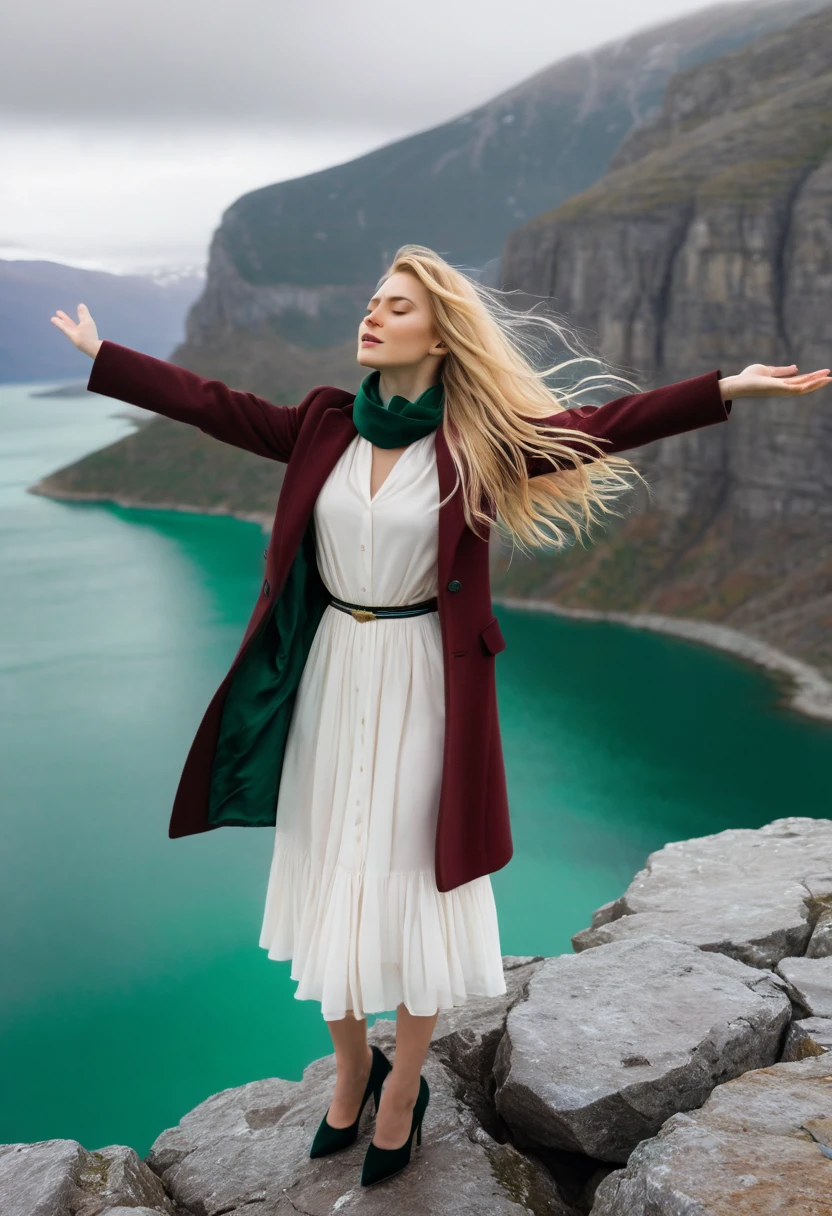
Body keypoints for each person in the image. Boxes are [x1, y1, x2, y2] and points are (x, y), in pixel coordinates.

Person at [50, 244, 830, 1186]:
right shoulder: (322, 424)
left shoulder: (478, 441)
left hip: (426, 677)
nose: (372, 316)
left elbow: (601, 425)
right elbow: (215, 406)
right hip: (332, 670)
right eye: (373, 300)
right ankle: (352, 1065)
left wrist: (725, 389)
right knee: (328, 865)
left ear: (439, 333)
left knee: (420, 878)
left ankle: (403, 1084)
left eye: (397, 306)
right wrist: (107, 359)